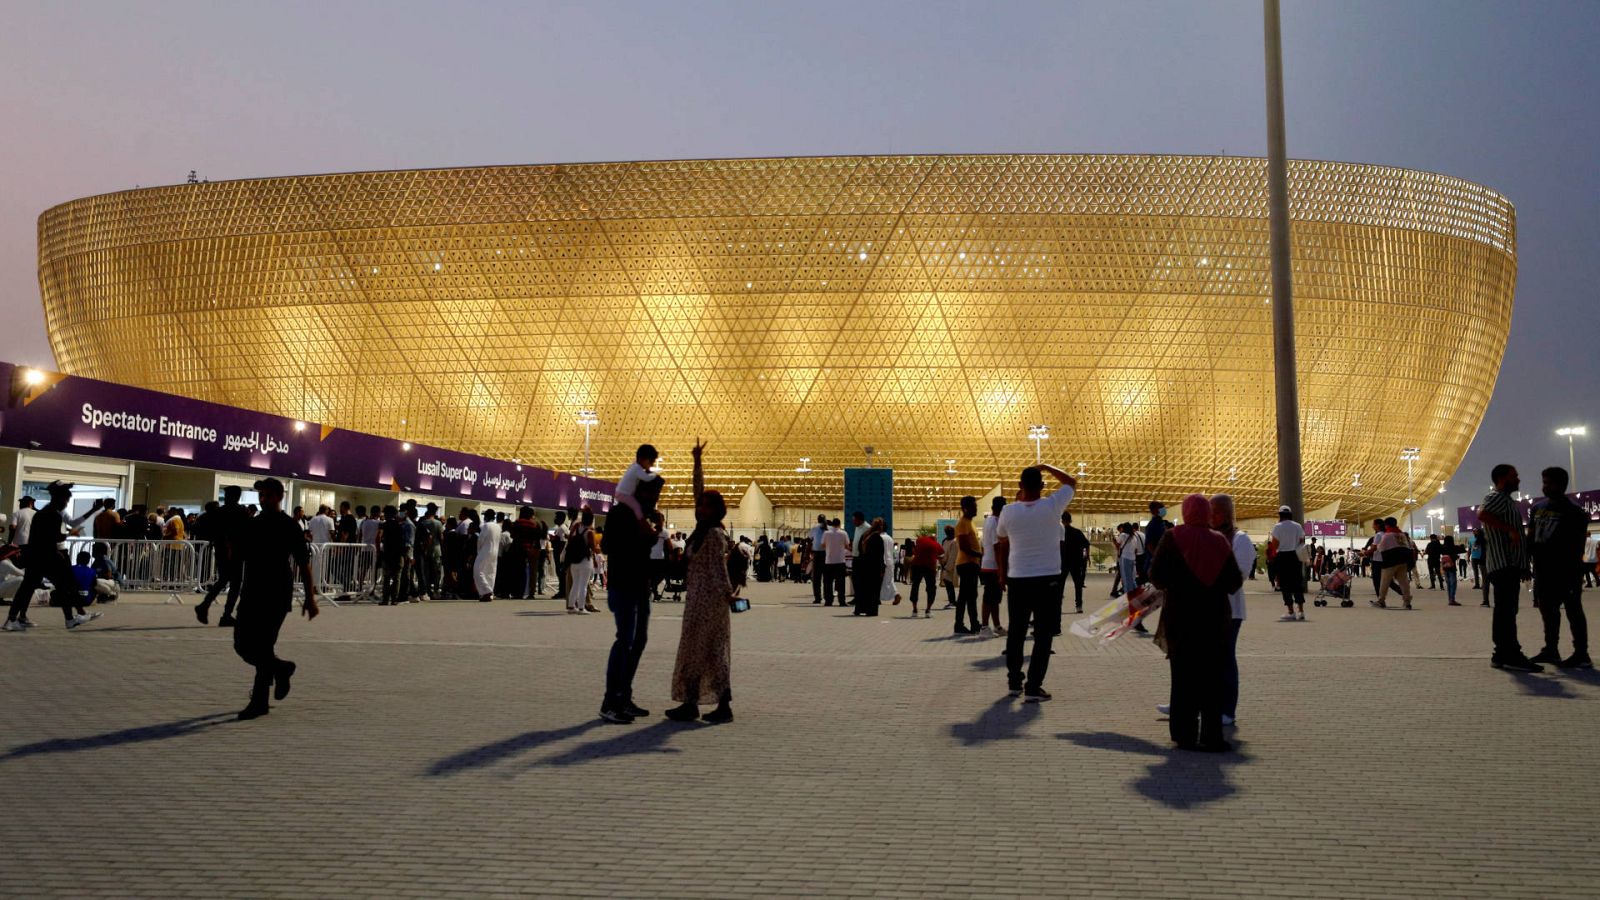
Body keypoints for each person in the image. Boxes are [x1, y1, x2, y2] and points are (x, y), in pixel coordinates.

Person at [1148, 494, 1244, 752]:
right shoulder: (1220, 540)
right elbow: (1234, 581)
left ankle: (1183, 734)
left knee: (1182, 678)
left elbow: (1155, 575)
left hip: (1180, 618)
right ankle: (1211, 737)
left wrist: (1176, 584)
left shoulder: (1172, 537)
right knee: (1212, 679)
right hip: (1214, 620)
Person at [232, 478, 318, 720]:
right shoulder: (253, 524)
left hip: (276, 593)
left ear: (280, 496)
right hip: (251, 593)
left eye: (268, 495)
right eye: (261, 495)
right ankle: (282, 669)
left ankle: (260, 702)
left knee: (263, 645)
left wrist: (310, 599)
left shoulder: (289, 526)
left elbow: (303, 563)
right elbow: (239, 557)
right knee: (242, 645)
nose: (263, 499)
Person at [994, 463, 1078, 702]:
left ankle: (1013, 682)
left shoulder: (1008, 512)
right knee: (1043, 635)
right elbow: (1071, 482)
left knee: (1016, 632)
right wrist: (1047, 466)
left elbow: (1002, 542)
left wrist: (1002, 573)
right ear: (1042, 486)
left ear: (1020, 486)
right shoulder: (1053, 506)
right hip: (1048, 579)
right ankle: (1033, 686)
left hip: (1018, 577)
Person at [666, 439, 735, 724]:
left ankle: (723, 705)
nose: (700, 508)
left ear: (715, 510)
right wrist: (696, 461)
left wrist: (728, 595)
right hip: (697, 601)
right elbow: (698, 491)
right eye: (700, 506)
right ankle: (690, 702)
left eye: (706, 506)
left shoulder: (714, 535)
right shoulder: (701, 530)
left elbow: (719, 570)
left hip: (712, 603)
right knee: (693, 652)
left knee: (714, 652)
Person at [599, 460, 663, 724]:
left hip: (639, 587)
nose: (654, 498)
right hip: (623, 585)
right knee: (624, 640)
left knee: (638, 641)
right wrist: (640, 531)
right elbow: (607, 547)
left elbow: (646, 547)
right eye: (651, 493)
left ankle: (624, 695)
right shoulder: (619, 514)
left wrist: (654, 529)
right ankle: (610, 701)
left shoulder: (645, 516)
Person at [3, 482, 103, 632]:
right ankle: (70, 618)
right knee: (62, 586)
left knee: (30, 588)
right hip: (46, 557)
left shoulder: (44, 513)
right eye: (66, 500)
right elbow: (54, 537)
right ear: (59, 499)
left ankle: (13, 619)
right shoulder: (52, 515)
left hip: (37, 556)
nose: (66, 503)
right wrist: (69, 535)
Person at [1479, 464, 1540, 671]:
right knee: (1506, 611)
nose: (1519, 479)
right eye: (1515, 476)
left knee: (1507, 610)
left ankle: (1502, 654)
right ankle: (1509, 653)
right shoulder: (1497, 497)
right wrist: (1511, 531)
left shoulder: (1506, 500)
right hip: (1503, 564)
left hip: (1509, 564)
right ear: (1503, 479)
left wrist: (1522, 565)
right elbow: (1482, 514)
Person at [1527, 467, 1589, 669]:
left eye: (1548, 482)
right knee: (1548, 610)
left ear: (1561, 484)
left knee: (1573, 610)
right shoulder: (1537, 508)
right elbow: (1531, 538)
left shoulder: (1574, 511)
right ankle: (1551, 649)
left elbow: (1577, 544)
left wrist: (1572, 569)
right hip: (1543, 571)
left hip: (1566, 571)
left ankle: (1581, 653)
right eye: (1543, 482)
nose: (1545, 486)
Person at [197, 485, 251, 626]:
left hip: (221, 551)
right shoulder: (241, 512)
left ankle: (205, 606)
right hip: (236, 552)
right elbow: (247, 532)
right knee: (235, 584)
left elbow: (211, 531)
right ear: (238, 496)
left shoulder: (218, 512)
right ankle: (226, 614)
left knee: (223, 580)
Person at [1268, 506, 1308, 621]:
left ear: (1280, 515)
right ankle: (1301, 611)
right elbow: (1302, 541)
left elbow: (1275, 545)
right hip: (1295, 556)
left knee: (1285, 584)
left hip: (1282, 557)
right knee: (1297, 583)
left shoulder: (1277, 527)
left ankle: (1291, 612)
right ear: (1290, 514)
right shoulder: (1297, 526)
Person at [1368, 518, 1414, 610]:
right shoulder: (1402, 534)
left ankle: (1381, 601)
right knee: (1404, 583)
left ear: (1387, 525)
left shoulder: (1388, 535)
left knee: (1384, 582)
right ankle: (1407, 602)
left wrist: (1367, 552)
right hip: (1402, 561)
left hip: (1390, 562)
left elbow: (1380, 548)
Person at [979, 496, 1007, 637]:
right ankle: (984, 627)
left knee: (995, 598)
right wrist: (1001, 570)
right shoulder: (996, 522)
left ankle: (996, 626)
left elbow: (984, 545)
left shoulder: (988, 521)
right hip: (993, 566)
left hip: (987, 563)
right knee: (990, 598)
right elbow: (997, 547)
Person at [953, 496, 982, 633]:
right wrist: (979, 555)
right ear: (965, 508)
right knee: (966, 596)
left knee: (970, 595)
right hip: (966, 564)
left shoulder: (970, 523)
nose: (976, 508)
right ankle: (962, 624)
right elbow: (964, 547)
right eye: (973, 506)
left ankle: (973, 623)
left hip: (971, 564)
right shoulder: (963, 523)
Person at [852, 518, 886, 617]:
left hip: (863, 564)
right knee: (874, 589)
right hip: (874, 567)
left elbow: (859, 549)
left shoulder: (865, 535)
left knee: (863, 588)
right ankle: (871, 610)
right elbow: (879, 555)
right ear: (880, 527)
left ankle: (860, 608)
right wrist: (882, 569)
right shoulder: (877, 538)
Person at [565, 508, 596, 614]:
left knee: (575, 584)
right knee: (583, 585)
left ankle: (571, 606)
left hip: (574, 560)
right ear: (591, 520)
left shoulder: (577, 526)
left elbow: (569, 538)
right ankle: (582, 608)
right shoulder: (590, 532)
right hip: (585, 561)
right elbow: (594, 548)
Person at [906, 529, 943, 616]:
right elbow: (941, 556)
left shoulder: (920, 540)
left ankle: (914, 610)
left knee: (915, 586)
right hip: (929, 567)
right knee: (931, 588)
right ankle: (928, 610)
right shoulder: (937, 545)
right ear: (935, 538)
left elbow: (915, 549)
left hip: (916, 565)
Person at [1061, 510, 1089, 615]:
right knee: (1078, 585)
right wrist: (1085, 557)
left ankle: (1058, 606)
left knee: (1060, 585)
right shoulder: (1077, 532)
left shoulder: (1060, 532)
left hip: (1063, 562)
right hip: (1076, 562)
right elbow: (1086, 545)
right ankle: (1079, 606)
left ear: (1062, 520)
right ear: (1070, 520)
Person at [415, 503, 443, 601]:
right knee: (437, 571)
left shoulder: (422, 522)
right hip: (436, 549)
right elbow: (441, 538)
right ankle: (435, 590)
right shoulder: (438, 523)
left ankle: (426, 590)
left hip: (425, 550)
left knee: (426, 571)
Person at [473, 509, 502, 601]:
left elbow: (480, 540)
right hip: (495, 551)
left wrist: (479, 550)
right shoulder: (498, 527)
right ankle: (489, 593)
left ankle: (486, 591)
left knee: (478, 570)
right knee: (490, 572)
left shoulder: (486, 526)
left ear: (486, 516)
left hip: (485, 550)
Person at [820, 518, 849, 607]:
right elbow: (847, 544)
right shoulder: (843, 533)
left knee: (828, 582)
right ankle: (842, 601)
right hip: (840, 560)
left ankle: (828, 601)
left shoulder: (826, 533)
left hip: (829, 561)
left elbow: (822, 544)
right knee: (841, 582)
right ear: (839, 524)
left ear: (832, 524)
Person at [938, 525, 959, 614]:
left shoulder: (955, 542)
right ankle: (952, 601)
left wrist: (947, 567)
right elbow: (943, 552)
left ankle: (953, 602)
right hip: (944, 565)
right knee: (947, 584)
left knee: (950, 584)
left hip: (951, 566)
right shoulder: (945, 541)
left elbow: (953, 556)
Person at [809, 514, 828, 604]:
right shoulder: (829, 528)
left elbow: (810, 538)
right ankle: (827, 596)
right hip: (827, 554)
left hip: (817, 553)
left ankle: (818, 597)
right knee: (827, 577)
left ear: (818, 519)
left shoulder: (815, 528)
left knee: (816, 577)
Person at [1441, 535, 1463, 606]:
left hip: (1445, 567)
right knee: (1453, 583)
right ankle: (1452, 599)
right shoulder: (1453, 547)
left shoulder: (1443, 547)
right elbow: (1463, 550)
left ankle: (1450, 599)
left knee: (1448, 584)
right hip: (1452, 567)